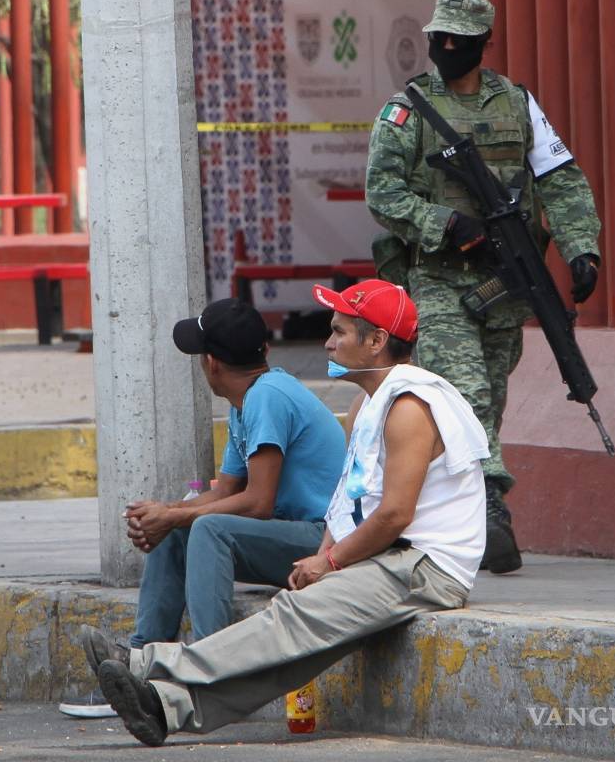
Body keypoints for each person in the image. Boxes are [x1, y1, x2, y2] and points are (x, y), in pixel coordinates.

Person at [86, 279, 489, 746]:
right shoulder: (366, 404)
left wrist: (330, 563)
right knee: (305, 651)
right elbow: (351, 498)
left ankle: (148, 662)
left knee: (293, 617)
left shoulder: (410, 407)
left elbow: (394, 515)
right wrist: (326, 551)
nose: (328, 342)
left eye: (340, 332)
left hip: (425, 567)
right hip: (388, 557)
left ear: (376, 342)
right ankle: (169, 709)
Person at [364, 0, 603, 574]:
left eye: (459, 42)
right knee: (463, 389)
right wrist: (447, 223)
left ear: (483, 44)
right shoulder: (408, 110)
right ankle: (492, 510)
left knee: (488, 400)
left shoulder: (517, 104)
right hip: (441, 277)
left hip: (506, 279)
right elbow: (383, 193)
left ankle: (456, 516)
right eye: (438, 40)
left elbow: (559, 177)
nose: (446, 49)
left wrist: (581, 249)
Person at [59, 297, 346, 719]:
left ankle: (211, 675)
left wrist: (178, 515)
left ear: (211, 363)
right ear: (264, 351)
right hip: (292, 536)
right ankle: (137, 666)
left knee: (207, 528)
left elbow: (258, 502)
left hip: (320, 540)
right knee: (187, 524)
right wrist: (165, 513)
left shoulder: (268, 397)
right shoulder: (246, 400)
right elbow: (227, 489)